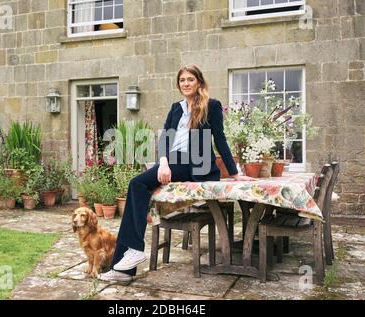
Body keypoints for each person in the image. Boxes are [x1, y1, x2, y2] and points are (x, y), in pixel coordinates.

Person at [98, 64, 256, 282]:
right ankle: (123, 266)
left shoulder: (212, 106)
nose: (186, 83)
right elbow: (165, 139)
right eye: (182, 80)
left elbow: (220, 139)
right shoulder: (176, 108)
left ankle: (130, 256)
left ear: (199, 82)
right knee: (137, 186)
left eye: (190, 79)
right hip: (173, 161)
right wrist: (162, 163)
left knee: (137, 185)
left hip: (197, 165)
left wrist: (234, 173)